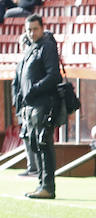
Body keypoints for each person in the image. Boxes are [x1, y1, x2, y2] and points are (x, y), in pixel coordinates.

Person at [16, 15, 61, 200]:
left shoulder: (47, 46)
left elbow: (53, 76)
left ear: (42, 28)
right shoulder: (30, 48)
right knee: (36, 144)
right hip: (31, 105)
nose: (32, 33)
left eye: (35, 29)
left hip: (43, 103)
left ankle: (48, 187)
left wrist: (33, 90)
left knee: (44, 143)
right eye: (28, 30)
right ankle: (41, 184)